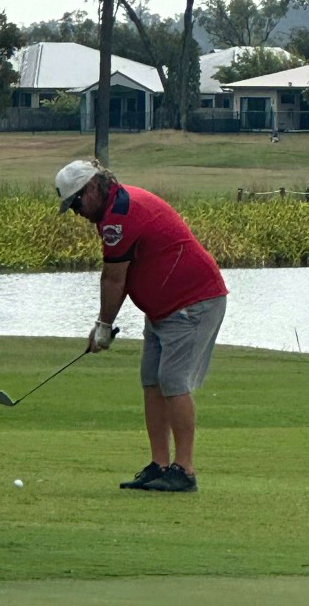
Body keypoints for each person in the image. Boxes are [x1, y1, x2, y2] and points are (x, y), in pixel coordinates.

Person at [54, 158, 228, 493]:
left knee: (173, 381)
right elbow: (120, 276)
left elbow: (114, 278)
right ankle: (159, 464)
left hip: (193, 302)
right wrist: (103, 323)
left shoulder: (119, 216)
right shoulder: (113, 210)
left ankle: (185, 470)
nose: (75, 210)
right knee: (152, 381)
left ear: (92, 188)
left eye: (76, 201)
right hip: (165, 310)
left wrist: (104, 326)